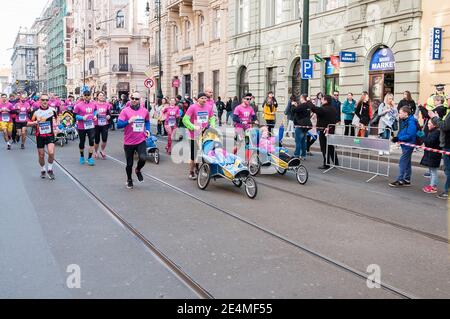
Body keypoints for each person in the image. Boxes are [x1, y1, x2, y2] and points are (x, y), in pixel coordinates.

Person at [117, 92, 150, 189]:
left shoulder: (144, 111)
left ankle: (138, 170)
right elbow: (118, 125)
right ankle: (129, 179)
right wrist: (128, 121)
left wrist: (147, 130)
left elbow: (147, 121)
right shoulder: (125, 111)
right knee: (129, 164)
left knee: (143, 158)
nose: (134, 100)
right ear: (130, 99)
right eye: (133, 98)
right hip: (129, 141)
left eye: (137, 99)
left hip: (141, 139)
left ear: (140, 100)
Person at [182, 92, 216, 180]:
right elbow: (185, 120)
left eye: (205, 98)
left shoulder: (209, 107)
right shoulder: (193, 107)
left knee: (205, 153)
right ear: (198, 99)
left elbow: (212, 117)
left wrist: (212, 125)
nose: (204, 100)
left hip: (205, 134)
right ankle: (191, 172)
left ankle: (201, 168)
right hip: (194, 135)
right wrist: (193, 126)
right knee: (194, 155)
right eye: (202, 98)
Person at [28, 94, 58, 180]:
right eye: (43, 100)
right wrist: (35, 122)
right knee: (41, 155)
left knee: (51, 152)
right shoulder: (35, 111)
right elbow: (28, 123)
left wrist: (56, 128)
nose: (45, 101)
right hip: (39, 135)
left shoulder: (52, 110)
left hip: (50, 134)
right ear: (40, 101)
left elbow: (57, 119)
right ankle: (43, 169)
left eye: (46, 100)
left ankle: (50, 169)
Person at [389, 106, 418, 187]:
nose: (399, 114)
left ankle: (400, 180)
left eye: (400, 113)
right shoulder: (405, 120)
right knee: (407, 163)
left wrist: (399, 138)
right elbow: (403, 131)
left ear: (405, 113)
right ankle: (407, 180)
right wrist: (398, 138)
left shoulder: (411, 122)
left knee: (402, 162)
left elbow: (410, 135)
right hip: (405, 144)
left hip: (408, 145)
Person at [310, 95, 339, 169]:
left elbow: (314, 109)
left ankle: (326, 164)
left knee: (324, 148)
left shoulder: (323, 109)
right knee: (331, 147)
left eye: (322, 99)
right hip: (331, 131)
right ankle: (336, 163)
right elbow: (336, 119)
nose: (321, 100)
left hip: (324, 131)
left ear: (325, 100)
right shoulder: (333, 109)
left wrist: (309, 102)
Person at [429, 104, 450, 199]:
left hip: (448, 145)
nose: (447, 101)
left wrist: (434, 118)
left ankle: (447, 192)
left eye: (448, 99)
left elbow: (444, 126)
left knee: (448, 170)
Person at [74, 91, 97, 166]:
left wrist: (95, 115)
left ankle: (90, 158)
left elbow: (95, 110)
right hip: (82, 126)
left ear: (90, 96)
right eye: (85, 95)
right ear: (83, 96)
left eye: (88, 95)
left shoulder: (93, 104)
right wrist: (82, 117)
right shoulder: (78, 105)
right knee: (82, 142)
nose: (87, 96)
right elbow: (75, 115)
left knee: (91, 141)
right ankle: (81, 156)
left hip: (90, 125)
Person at [420, 120, 442, 194]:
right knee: (431, 171)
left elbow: (430, 142)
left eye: (429, 124)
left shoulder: (436, 132)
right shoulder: (433, 131)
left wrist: (422, 137)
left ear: (435, 125)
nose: (428, 125)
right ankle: (432, 185)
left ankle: (433, 187)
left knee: (433, 171)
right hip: (431, 154)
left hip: (434, 155)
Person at [292, 94, 313, 160]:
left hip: (300, 125)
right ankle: (303, 155)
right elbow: (301, 111)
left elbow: (294, 110)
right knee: (303, 141)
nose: (300, 99)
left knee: (298, 141)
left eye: (300, 98)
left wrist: (293, 105)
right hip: (306, 125)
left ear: (302, 98)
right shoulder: (308, 105)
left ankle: (296, 155)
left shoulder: (302, 105)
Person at [93, 92, 112, 160]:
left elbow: (109, 113)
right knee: (97, 140)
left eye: (103, 95)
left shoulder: (107, 105)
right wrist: (95, 115)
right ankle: (95, 151)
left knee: (104, 139)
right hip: (96, 124)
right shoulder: (94, 104)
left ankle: (102, 150)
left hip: (104, 124)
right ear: (97, 97)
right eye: (100, 95)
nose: (101, 96)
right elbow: (92, 113)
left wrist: (108, 116)